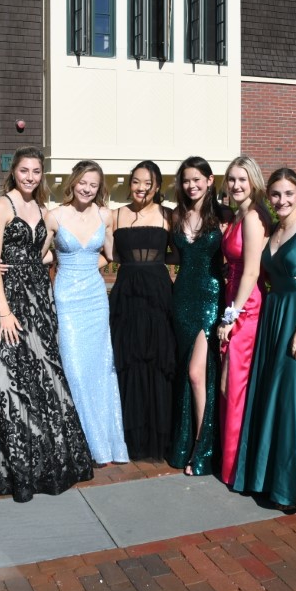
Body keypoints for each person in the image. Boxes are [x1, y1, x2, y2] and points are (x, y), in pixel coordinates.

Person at [0, 146, 94, 502]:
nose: (30, 177)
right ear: (14, 172)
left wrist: (44, 260)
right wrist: (5, 312)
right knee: (7, 376)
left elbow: (42, 252)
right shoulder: (2, 206)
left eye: (36, 172)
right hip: (11, 301)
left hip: (39, 297)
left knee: (44, 373)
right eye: (25, 171)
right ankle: (9, 462)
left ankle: (43, 458)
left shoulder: (41, 208)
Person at [233, 167, 296, 512]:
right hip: (273, 318)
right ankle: (269, 480)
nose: (282, 200)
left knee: (294, 402)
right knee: (274, 398)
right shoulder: (274, 230)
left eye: (289, 193)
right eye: (276, 194)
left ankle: (293, 490)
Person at [44, 160, 129, 466]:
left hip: (95, 297)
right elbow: (40, 254)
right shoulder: (55, 215)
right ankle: (80, 443)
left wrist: (88, 267)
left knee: (101, 369)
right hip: (67, 298)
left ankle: (104, 443)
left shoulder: (105, 215)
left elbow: (111, 254)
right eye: (83, 182)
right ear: (73, 183)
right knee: (75, 371)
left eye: (93, 185)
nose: (87, 189)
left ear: (99, 188)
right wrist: (60, 264)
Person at [168, 156, 231, 475]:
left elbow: (238, 251)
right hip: (182, 299)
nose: (191, 185)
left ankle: (202, 449)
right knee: (188, 373)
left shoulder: (224, 215)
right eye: (186, 180)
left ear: (209, 180)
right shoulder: (176, 214)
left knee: (197, 373)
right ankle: (186, 442)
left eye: (197, 179)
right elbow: (169, 254)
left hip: (211, 298)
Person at [109, 160, 176, 461]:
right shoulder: (115, 215)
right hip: (126, 295)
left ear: (157, 186)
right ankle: (129, 436)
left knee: (158, 360)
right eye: (136, 181)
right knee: (128, 359)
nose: (141, 188)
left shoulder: (169, 215)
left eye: (148, 183)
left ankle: (158, 434)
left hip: (159, 295)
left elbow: (182, 254)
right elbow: (106, 254)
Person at [217, 155, 271, 486]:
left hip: (246, 307)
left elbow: (252, 270)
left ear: (254, 182)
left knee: (233, 385)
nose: (236, 185)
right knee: (230, 384)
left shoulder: (252, 216)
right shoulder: (240, 214)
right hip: (235, 298)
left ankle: (238, 468)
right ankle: (232, 462)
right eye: (232, 179)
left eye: (242, 179)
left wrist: (231, 317)